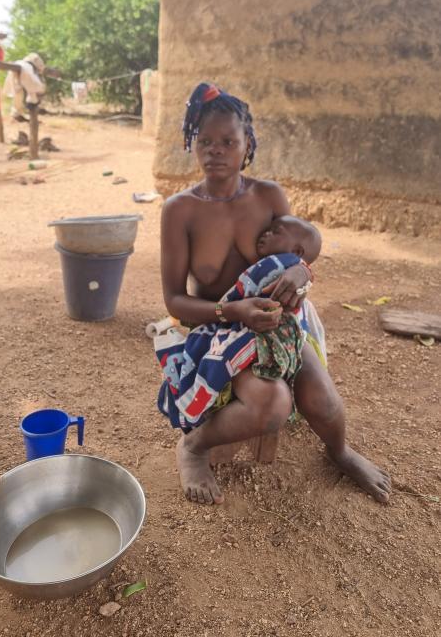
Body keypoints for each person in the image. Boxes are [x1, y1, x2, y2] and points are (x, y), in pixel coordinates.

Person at [160, 82, 391, 505]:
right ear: (193, 144)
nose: (215, 151)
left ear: (248, 143)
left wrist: (302, 273)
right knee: (271, 405)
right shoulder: (180, 210)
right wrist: (233, 311)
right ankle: (193, 446)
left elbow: (303, 247)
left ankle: (339, 452)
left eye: (228, 141)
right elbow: (175, 301)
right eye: (205, 141)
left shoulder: (267, 196)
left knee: (325, 402)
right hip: (219, 328)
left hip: (276, 322)